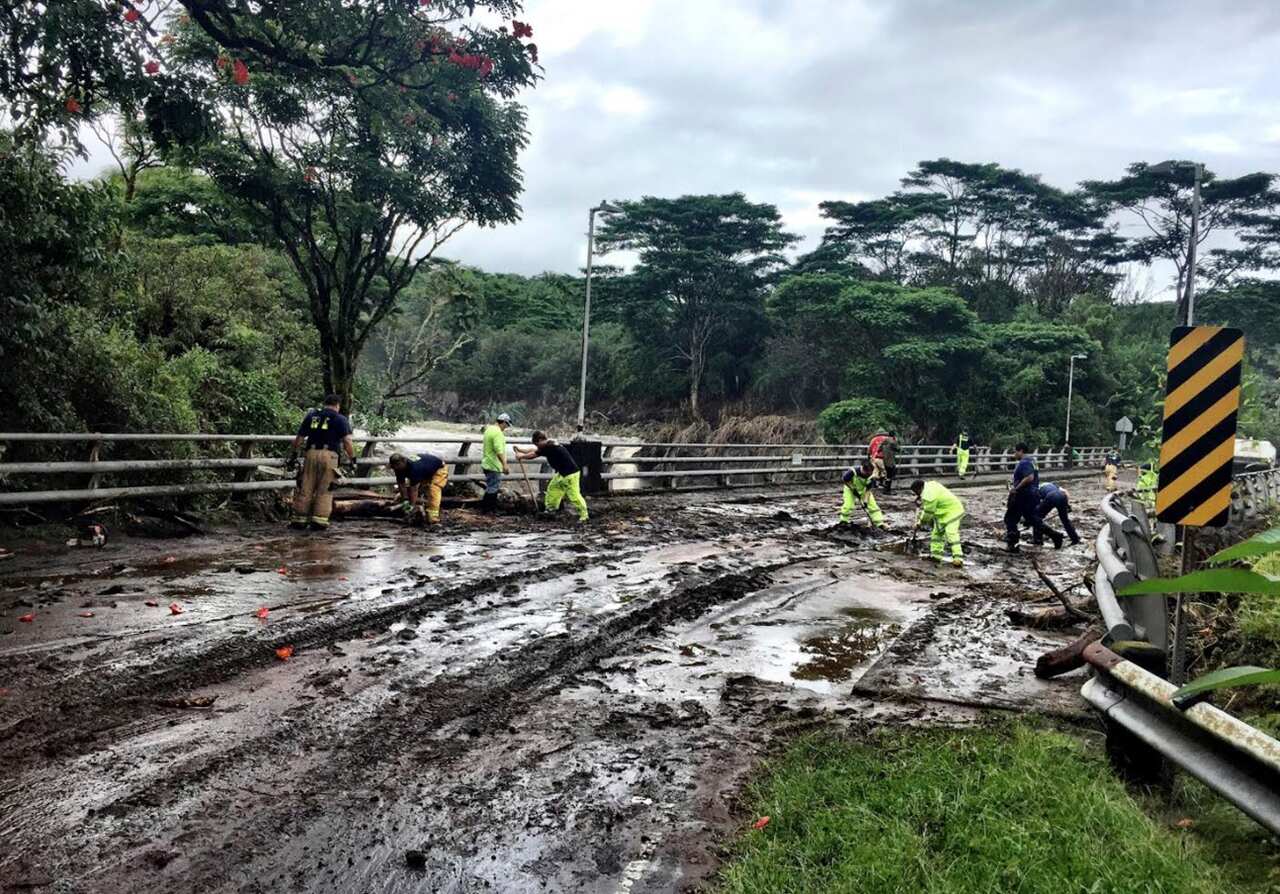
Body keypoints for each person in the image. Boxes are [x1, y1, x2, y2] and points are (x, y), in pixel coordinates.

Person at [286, 394, 356, 531]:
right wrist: (353, 458)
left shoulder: (312, 416)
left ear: (325, 403)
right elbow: (347, 441)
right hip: (329, 456)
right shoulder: (340, 419)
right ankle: (319, 521)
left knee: (306, 486)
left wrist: (294, 454)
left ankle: (299, 520)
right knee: (325, 488)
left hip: (310, 454)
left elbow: (299, 438)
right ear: (337, 405)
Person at [513, 431, 589, 523]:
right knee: (553, 488)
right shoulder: (548, 444)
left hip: (570, 474)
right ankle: (551, 509)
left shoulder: (548, 447)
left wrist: (522, 456)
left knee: (574, 496)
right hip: (562, 473)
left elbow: (534, 455)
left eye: (537, 444)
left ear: (541, 440)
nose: (537, 446)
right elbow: (535, 450)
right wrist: (521, 450)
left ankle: (584, 515)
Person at [1004, 443, 1063, 552]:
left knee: (1010, 518)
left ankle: (1012, 544)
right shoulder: (1032, 461)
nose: (1014, 454)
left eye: (1015, 451)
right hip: (1032, 495)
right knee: (1033, 519)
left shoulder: (1025, 462)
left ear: (1021, 451)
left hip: (1023, 495)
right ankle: (1055, 536)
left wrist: (1016, 488)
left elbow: (1029, 477)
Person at [910, 479, 965, 566]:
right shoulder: (930, 486)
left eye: (916, 492)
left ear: (919, 489)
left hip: (953, 511)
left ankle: (958, 558)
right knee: (936, 534)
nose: (916, 495)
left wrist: (919, 524)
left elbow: (928, 514)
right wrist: (922, 499)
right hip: (942, 513)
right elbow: (929, 504)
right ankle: (936, 556)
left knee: (951, 534)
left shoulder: (929, 496)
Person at [388, 452, 448, 525]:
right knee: (418, 489)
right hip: (425, 470)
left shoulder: (414, 468)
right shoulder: (398, 468)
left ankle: (433, 516)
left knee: (433, 490)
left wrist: (411, 507)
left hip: (439, 469)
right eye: (394, 467)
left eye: (397, 466)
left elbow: (414, 490)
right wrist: (405, 501)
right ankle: (422, 506)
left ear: (403, 463)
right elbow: (401, 485)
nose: (395, 469)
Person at [480, 412, 512, 513]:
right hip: (494, 464)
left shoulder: (489, 430)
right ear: (503, 423)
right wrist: (504, 465)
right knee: (493, 488)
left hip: (487, 462)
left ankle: (486, 508)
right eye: (506, 425)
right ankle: (489, 509)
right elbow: (499, 450)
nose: (506, 428)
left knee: (490, 486)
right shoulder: (498, 433)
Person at [839, 460, 887, 529]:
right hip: (850, 489)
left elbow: (868, 490)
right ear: (863, 469)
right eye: (867, 474)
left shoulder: (871, 477)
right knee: (848, 506)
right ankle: (843, 521)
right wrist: (852, 488)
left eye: (870, 474)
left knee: (873, 506)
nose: (868, 475)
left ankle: (879, 523)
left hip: (863, 490)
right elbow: (845, 480)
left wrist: (865, 501)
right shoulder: (852, 472)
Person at [1035, 481, 1080, 546]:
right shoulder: (1052, 485)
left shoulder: (1038, 489)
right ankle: (1075, 539)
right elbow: (1065, 492)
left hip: (1051, 496)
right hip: (1062, 496)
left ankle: (1038, 540)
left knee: (1037, 517)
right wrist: (1067, 505)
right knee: (1065, 520)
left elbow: (1037, 504)